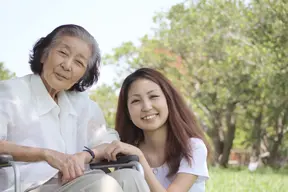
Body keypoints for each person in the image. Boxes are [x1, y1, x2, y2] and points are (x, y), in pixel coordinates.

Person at [0, 24, 149, 192]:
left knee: (130, 176)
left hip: (76, 183)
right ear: (43, 55)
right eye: (62, 53)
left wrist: (85, 156)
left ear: (84, 74)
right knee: (103, 185)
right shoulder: (10, 92)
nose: (67, 65)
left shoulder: (83, 105)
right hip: (28, 187)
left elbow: (108, 143)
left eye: (78, 62)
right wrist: (45, 154)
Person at [103, 68, 211, 192]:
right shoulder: (127, 150)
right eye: (136, 100)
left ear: (168, 100)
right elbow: (103, 149)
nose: (147, 107)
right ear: (127, 111)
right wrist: (86, 155)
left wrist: (139, 157)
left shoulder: (193, 148)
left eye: (153, 96)